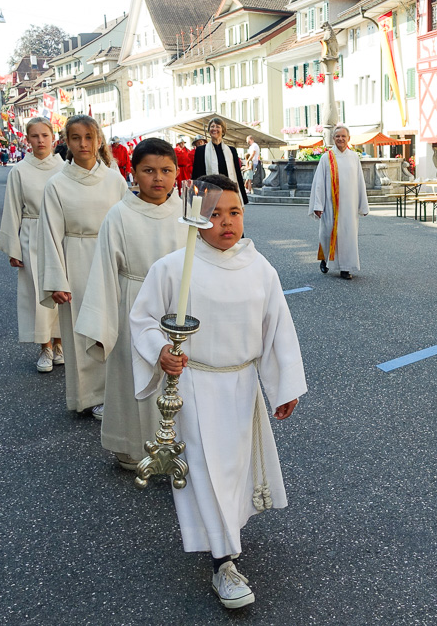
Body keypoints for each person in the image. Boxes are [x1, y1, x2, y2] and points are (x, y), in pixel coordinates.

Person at [130, 174, 306, 610]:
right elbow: (144, 319)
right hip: (196, 384)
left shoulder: (261, 268)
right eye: (214, 214)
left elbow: (276, 329)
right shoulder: (174, 267)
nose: (226, 222)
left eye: (235, 212)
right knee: (206, 471)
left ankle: (226, 538)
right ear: (196, 216)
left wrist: (283, 385)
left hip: (242, 385)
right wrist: (161, 353)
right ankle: (223, 564)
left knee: (234, 472)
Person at [76, 138, 188, 469]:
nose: (158, 179)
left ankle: (179, 445)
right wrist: (102, 324)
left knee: (178, 375)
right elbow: (105, 272)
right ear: (133, 172)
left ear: (177, 172)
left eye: (166, 170)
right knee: (133, 374)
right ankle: (132, 445)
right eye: (148, 171)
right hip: (133, 301)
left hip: (178, 306)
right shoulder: (120, 215)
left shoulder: (187, 213)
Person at [37, 114, 126, 417]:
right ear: (67, 142)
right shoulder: (57, 184)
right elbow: (49, 234)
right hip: (75, 259)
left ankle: (113, 393)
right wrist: (56, 279)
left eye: (89, 137)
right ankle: (87, 396)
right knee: (80, 331)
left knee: (110, 327)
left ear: (99, 140)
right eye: (76, 138)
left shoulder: (115, 180)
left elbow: (128, 222)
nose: (83, 143)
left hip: (111, 260)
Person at [0, 117, 66, 373]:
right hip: (32, 232)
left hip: (60, 234)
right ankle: (45, 346)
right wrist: (13, 247)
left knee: (63, 291)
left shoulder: (65, 168)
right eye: (35, 136)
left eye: (45, 136)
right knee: (38, 293)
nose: (40, 141)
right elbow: (12, 209)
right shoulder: (19, 171)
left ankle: (61, 343)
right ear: (28, 140)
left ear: (53, 138)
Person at [309, 125, 368, 280]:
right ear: (333, 139)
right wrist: (318, 205)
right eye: (337, 136)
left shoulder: (354, 157)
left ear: (348, 138)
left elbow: (360, 182)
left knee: (348, 235)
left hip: (349, 206)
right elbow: (319, 183)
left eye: (343, 136)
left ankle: (345, 268)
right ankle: (325, 258)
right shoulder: (326, 158)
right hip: (330, 205)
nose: (340, 139)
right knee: (327, 232)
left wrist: (363, 205)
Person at [192, 118, 247, 203]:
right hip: (209, 193)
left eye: (218, 126)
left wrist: (242, 199)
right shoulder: (201, 151)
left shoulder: (231, 150)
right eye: (212, 126)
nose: (214, 129)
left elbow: (238, 175)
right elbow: (197, 175)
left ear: (223, 130)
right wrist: (195, 198)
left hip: (228, 192)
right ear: (209, 130)